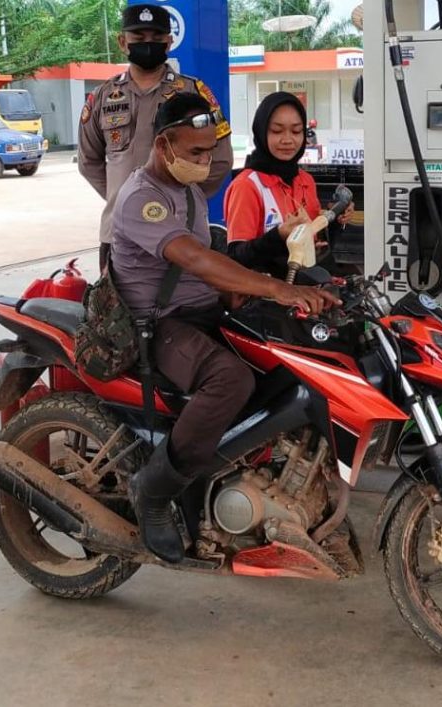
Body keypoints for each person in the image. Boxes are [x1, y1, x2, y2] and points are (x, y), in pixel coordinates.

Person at [112, 93, 338, 564]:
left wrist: (277, 293)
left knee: (284, 354)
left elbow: (215, 263)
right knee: (230, 379)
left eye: (207, 152)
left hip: (204, 310)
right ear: (163, 146)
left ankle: (236, 473)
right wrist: (277, 290)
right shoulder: (141, 198)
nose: (203, 162)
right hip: (160, 324)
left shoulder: (188, 192)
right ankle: (153, 490)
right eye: (194, 153)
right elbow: (196, 259)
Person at [78, 3, 233, 273]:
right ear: (123, 42)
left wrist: (184, 201)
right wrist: (128, 202)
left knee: (178, 309)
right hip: (116, 233)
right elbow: (89, 161)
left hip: (180, 235)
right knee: (116, 313)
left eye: (157, 38)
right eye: (139, 38)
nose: (147, 44)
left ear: (169, 42)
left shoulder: (193, 93)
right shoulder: (103, 96)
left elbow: (220, 160)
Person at [223, 92, 353, 279]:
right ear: (261, 131)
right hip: (269, 296)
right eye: (277, 131)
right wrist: (278, 236)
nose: (287, 140)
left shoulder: (305, 180)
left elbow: (317, 241)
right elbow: (236, 258)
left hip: (311, 288)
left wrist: (336, 221)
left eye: (296, 131)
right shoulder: (247, 185)